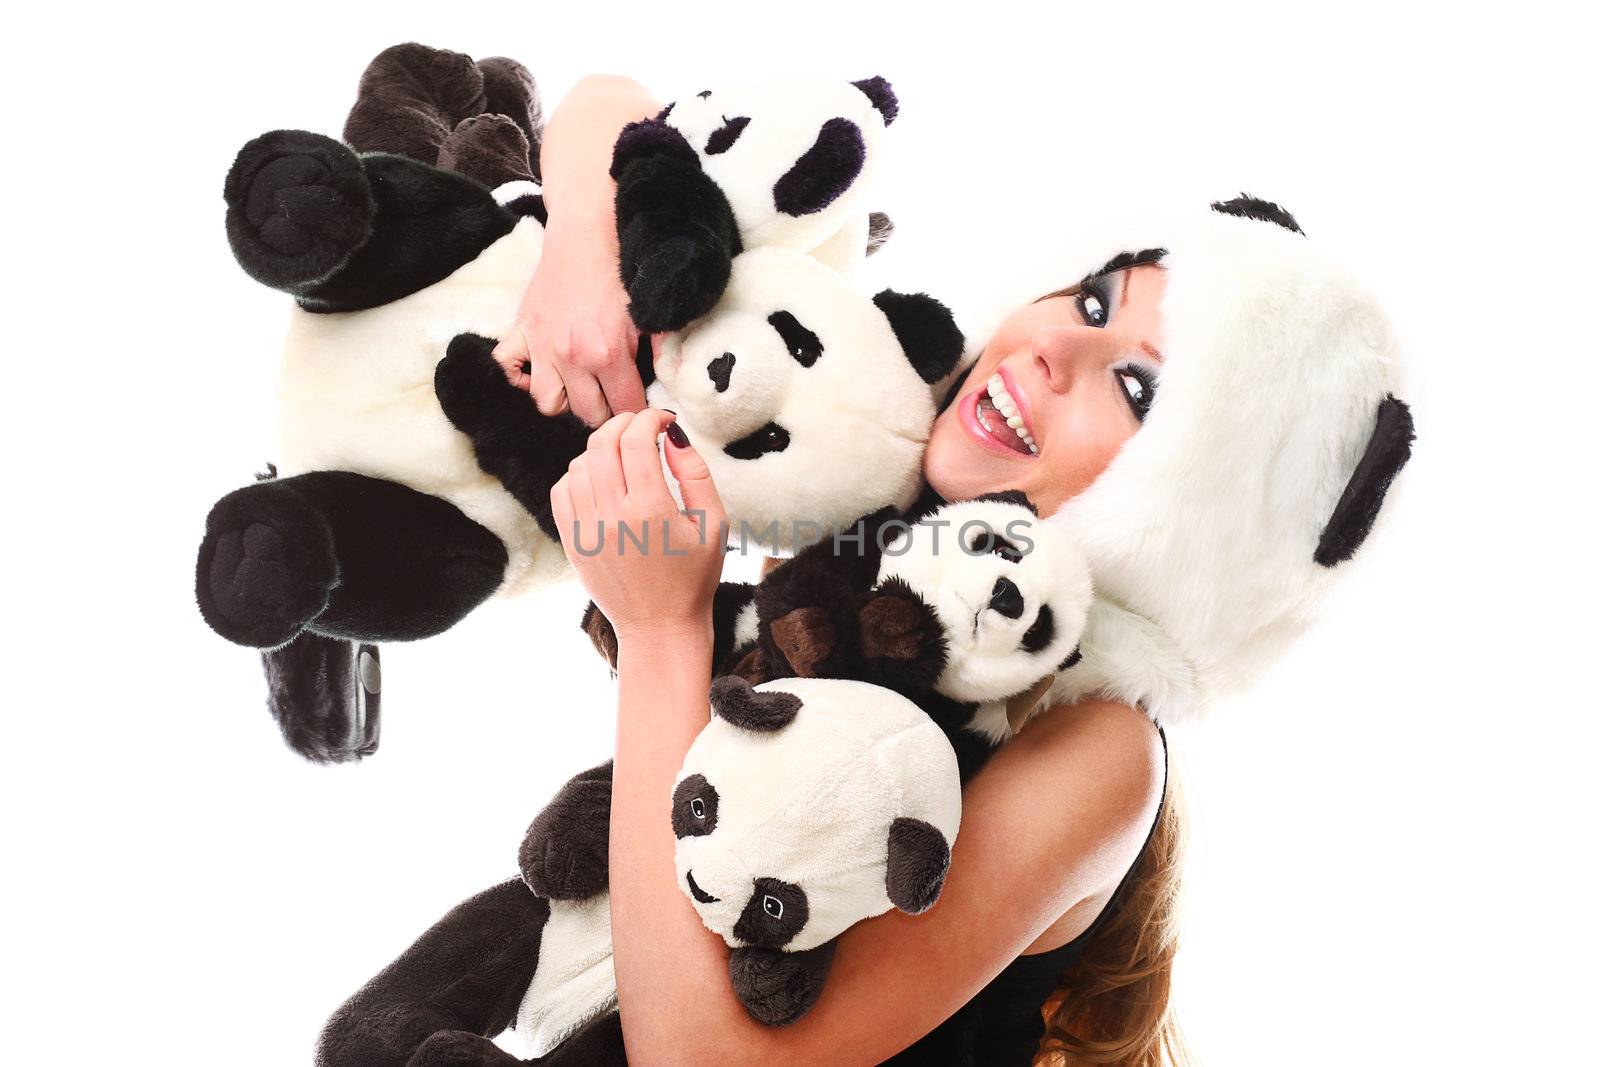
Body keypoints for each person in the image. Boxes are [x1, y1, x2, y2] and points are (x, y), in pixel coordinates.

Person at [321, 75, 1412, 1067]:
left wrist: (661, 631)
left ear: (1190, 509)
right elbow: (609, 107)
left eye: (1133, 391)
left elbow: (707, 1060)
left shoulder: (1101, 750)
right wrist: (577, 262)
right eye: (1090, 300)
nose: (1053, 353)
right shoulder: (867, 479)